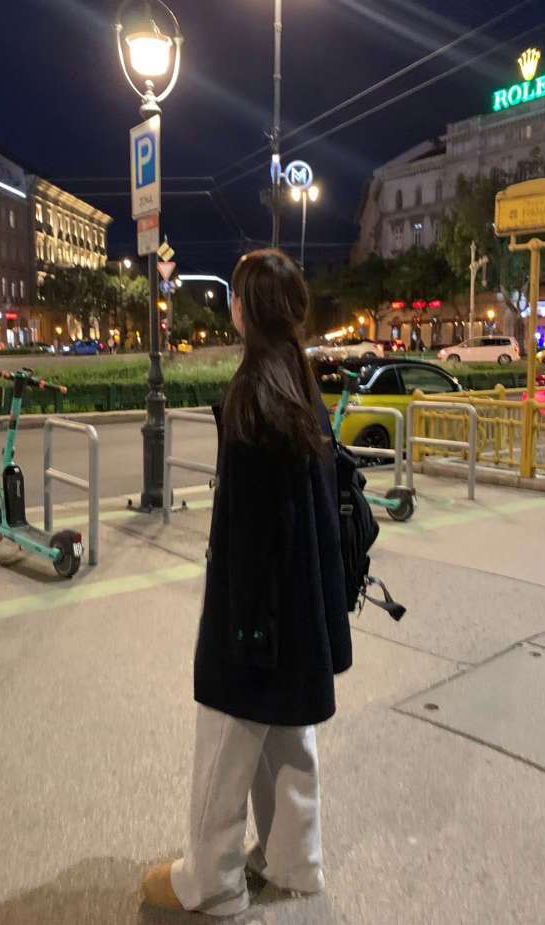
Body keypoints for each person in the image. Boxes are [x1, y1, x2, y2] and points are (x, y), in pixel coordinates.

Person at [141, 249, 352, 916]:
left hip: (257, 611)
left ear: (245, 308)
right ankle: (296, 862)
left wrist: (244, 631)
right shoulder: (300, 383)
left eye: (234, 296)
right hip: (304, 604)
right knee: (288, 734)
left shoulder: (253, 394)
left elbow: (253, 530)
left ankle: (211, 881)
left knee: (225, 745)